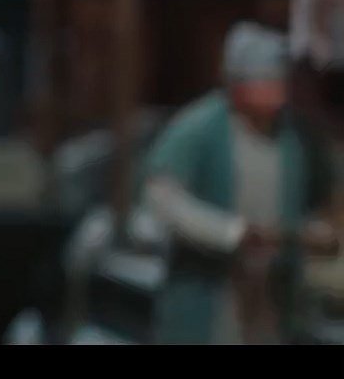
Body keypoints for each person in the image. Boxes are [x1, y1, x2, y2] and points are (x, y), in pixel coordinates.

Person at [145, 22, 339, 344]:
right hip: (211, 288)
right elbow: (163, 200)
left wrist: (317, 232)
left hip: (272, 291)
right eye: (265, 83)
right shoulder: (200, 127)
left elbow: (325, 195)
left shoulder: (296, 136)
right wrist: (232, 232)